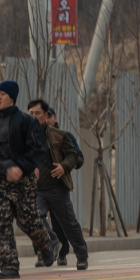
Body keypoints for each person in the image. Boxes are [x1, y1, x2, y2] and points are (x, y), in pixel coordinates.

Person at [0, 80, 58, 279]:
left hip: (23, 181)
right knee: (1, 223)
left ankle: (47, 244)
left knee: (28, 222)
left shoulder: (26, 121)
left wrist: (21, 168)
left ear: (12, 98)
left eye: (2, 94)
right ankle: (9, 266)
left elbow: (38, 149)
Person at [28, 100, 89, 270]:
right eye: (30, 113)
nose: (33, 117)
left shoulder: (61, 136)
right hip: (37, 189)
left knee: (69, 223)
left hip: (57, 188)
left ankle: (82, 255)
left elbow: (74, 155)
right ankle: (52, 244)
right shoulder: (25, 136)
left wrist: (64, 166)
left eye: (37, 113)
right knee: (35, 218)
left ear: (47, 116)